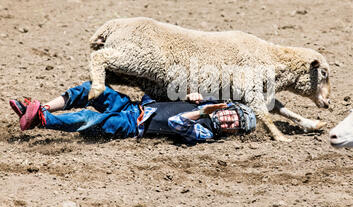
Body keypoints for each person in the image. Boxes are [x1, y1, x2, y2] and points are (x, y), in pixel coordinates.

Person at [9, 81, 256, 143]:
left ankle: (41, 120)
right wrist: (189, 94)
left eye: (236, 125)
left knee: (89, 119)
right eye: (234, 115)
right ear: (229, 108)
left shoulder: (206, 133)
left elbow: (177, 122)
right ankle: (42, 108)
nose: (229, 121)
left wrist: (201, 112)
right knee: (92, 89)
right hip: (134, 106)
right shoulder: (206, 102)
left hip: (133, 126)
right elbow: (168, 91)